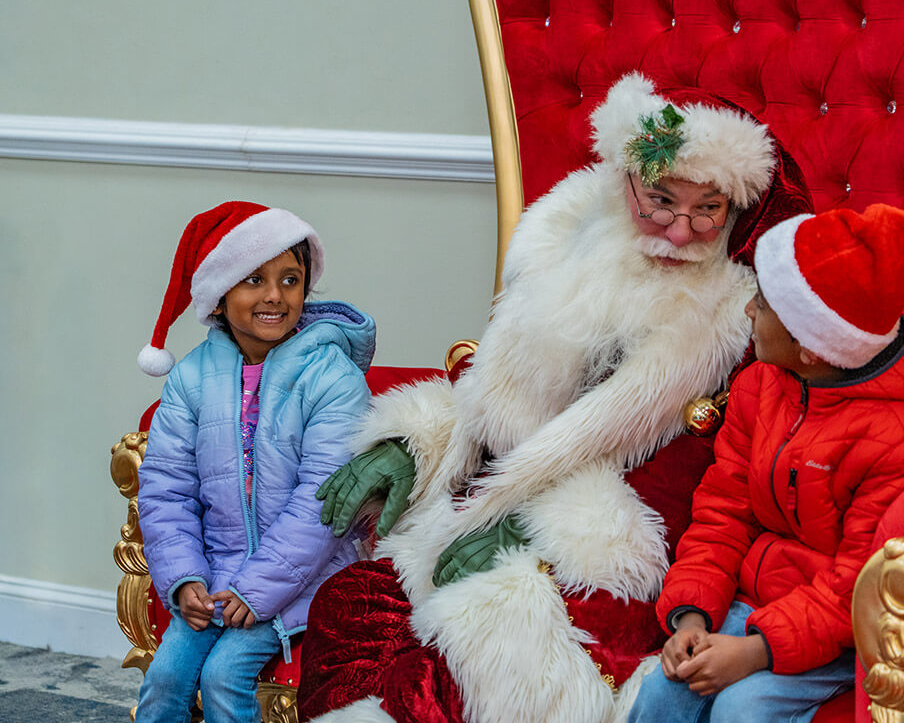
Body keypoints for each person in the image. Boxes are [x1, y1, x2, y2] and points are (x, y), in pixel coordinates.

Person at [297, 73, 812, 723]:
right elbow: (498, 389)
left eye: (707, 210)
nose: (680, 233)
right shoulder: (564, 244)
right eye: (660, 202)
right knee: (352, 605)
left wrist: (537, 529)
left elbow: (706, 476)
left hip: (628, 543)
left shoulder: (744, 318)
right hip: (492, 502)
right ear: (626, 183)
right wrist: (414, 444)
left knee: (489, 639)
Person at [628, 203, 904, 723]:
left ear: (810, 347)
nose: (748, 311)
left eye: (762, 303)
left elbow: (858, 587)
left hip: (843, 632)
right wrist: (692, 618)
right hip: (750, 602)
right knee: (662, 693)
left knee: (742, 711)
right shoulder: (759, 386)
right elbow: (723, 511)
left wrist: (755, 652)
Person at [133, 201, 375, 723]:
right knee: (166, 678)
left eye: (290, 279)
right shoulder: (192, 378)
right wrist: (185, 579)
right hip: (215, 573)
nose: (274, 295)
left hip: (306, 576)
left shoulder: (333, 378)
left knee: (225, 675)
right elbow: (166, 491)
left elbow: (323, 500)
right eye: (253, 279)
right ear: (219, 296)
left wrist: (257, 589)